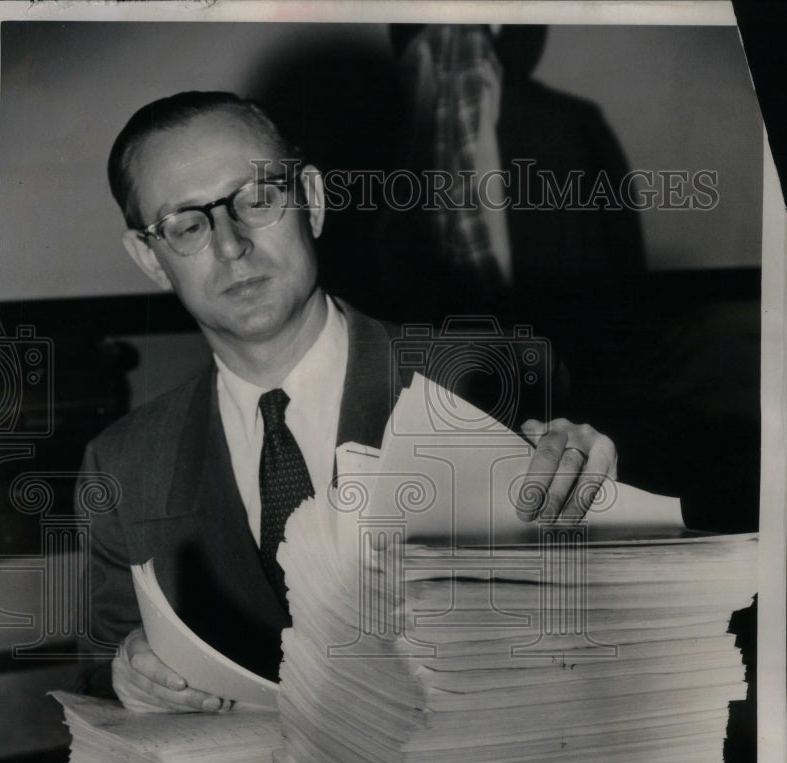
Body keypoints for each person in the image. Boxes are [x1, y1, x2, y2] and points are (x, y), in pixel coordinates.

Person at [79, 91, 617, 714]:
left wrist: (597, 506)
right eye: (188, 225)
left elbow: (602, 630)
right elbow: (101, 669)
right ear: (150, 256)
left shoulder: (484, 380)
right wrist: (130, 676)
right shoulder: (123, 463)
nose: (231, 246)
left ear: (310, 199)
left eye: (257, 200)